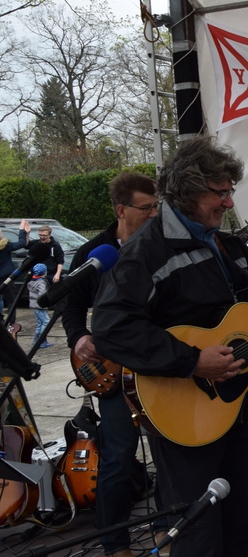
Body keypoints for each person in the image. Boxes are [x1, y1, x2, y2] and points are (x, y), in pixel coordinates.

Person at [92, 137, 248, 557]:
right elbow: (112, 327)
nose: (229, 202)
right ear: (188, 190)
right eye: (219, 192)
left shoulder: (228, 246)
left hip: (228, 405)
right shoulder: (147, 251)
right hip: (181, 412)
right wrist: (192, 360)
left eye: (230, 190)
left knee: (239, 521)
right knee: (199, 533)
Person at [62, 171, 165, 557]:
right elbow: (71, 305)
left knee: (170, 453)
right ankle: (115, 544)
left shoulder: (162, 248)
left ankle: (168, 530)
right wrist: (79, 337)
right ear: (121, 210)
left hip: (158, 365)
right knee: (119, 457)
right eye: (146, 208)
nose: (154, 214)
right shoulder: (94, 254)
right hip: (114, 371)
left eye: (157, 207)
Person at [0, 219, 30, 329]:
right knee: (11, 301)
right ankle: (12, 323)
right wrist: (22, 230)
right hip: (6, 277)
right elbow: (21, 243)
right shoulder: (5, 245)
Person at [28, 263, 53, 348]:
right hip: (40, 306)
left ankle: (36, 341)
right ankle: (42, 341)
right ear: (44, 272)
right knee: (46, 322)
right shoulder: (41, 282)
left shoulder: (32, 281)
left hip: (34, 305)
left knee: (40, 323)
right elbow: (42, 295)